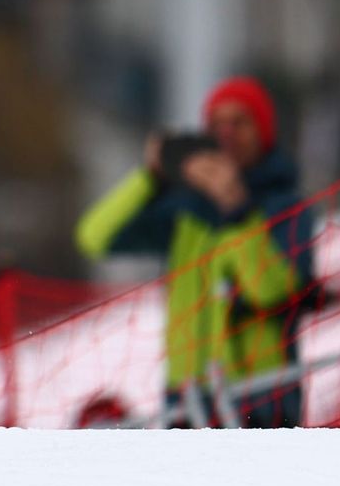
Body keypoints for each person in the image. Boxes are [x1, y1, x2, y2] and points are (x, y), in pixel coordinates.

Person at [75, 76, 314, 427]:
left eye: (240, 122)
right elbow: (94, 236)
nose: (227, 134)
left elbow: (272, 290)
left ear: (263, 131)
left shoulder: (285, 206)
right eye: (217, 124)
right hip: (187, 399)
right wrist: (152, 176)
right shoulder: (188, 212)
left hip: (261, 398)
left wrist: (236, 211)